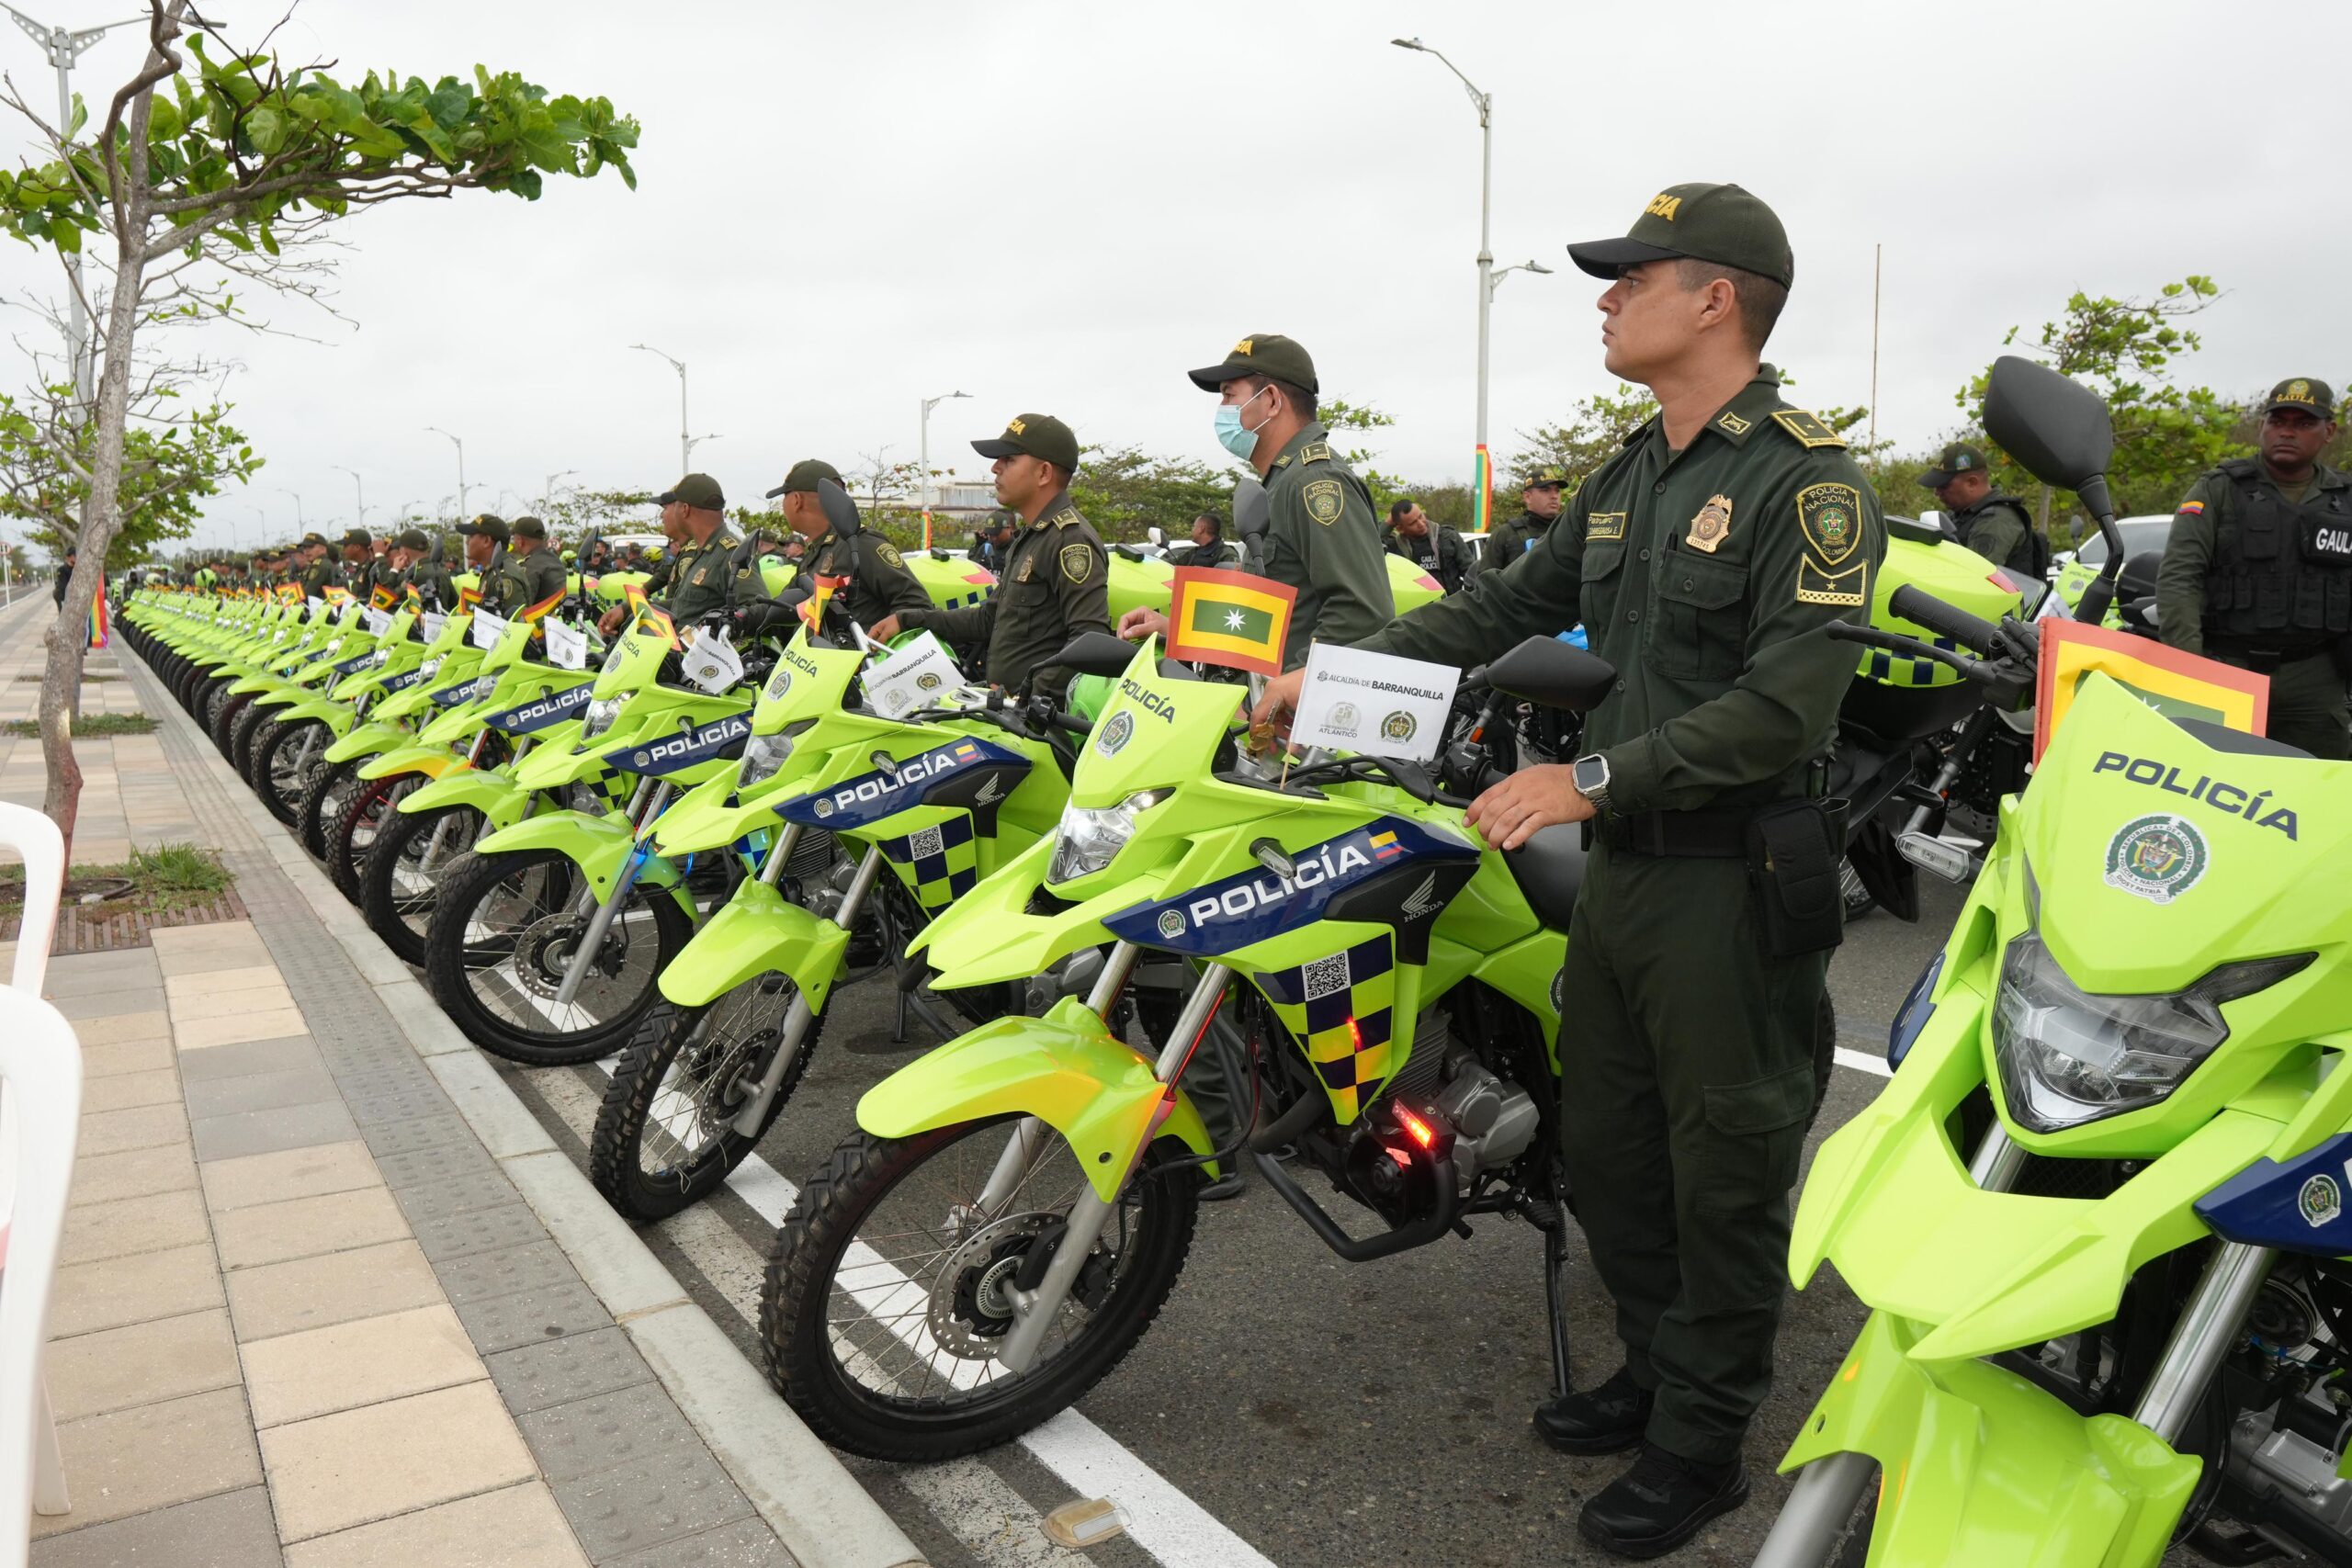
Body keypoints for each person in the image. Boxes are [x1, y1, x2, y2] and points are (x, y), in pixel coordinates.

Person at [1257, 183, 1884, 1559]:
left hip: (1728, 884)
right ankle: (1657, 1373)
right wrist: (1327, 679)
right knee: (1608, 1151)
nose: (1605, 295)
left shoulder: (1809, 480)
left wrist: (1586, 779)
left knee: (1721, 1169)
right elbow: (1498, 607)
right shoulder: (1629, 469)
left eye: (1631, 276)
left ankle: (1705, 1438)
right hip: (1624, 883)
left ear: (1714, 297)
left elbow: (1787, 707)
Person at [1117, 334, 1393, 667]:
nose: (1223, 410)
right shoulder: (1282, 481)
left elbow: (1360, 615)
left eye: (1229, 396)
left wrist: (1291, 690)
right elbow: (1277, 615)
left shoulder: (1314, 481)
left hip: (1294, 712)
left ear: (1273, 400)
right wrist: (1174, 628)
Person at [2158, 378, 2352, 759]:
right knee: (2212, 785)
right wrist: (2188, 668)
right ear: (2262, 425)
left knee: (2319, 795)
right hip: (2228, 669)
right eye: (2278, 421)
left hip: (2315, 679)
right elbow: (2180, 578)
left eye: (2303, 423)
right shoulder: (2219, 489)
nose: (2287, 432)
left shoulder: (2345, 500)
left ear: (2328, 431)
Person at [870, 413, 1109, 698]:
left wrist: (1025, 698)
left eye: (1009, 460)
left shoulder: (1069, 539)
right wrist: (909, 619)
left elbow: (1089, 639)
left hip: (1036, 724)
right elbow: (987, 619)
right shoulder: (1032, 538)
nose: (995, 468)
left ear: (1043, 473)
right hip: (1004, 712)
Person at [738, 458, 932, 640]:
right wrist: (739, 618)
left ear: (797, 500)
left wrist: (877, 647)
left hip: (861, 670)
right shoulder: (814, 555)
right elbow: (783, 607)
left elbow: (916, 604)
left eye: (785, 498)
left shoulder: (860, 545)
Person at [595, 475, 729, 636]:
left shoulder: (710, 552)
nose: (661, 516)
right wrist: (628, 609)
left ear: (683, 509)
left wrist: (635, 611)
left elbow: (688, 610)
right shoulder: (692, 552)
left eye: (665, 508)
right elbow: (675, 597)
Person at [1917, 441, 2041, 579]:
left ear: (1972, 483)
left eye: (1944, 486)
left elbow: (1974, 577)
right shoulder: (1959, 516)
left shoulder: (1998, 519)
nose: (1937, 493)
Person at [1488, 467, 1571, 570]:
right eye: (1545, 490)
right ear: (1527, 497)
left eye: (1557, 491)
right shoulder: (1506, 534)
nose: (1554, 496)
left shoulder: (1569, 531)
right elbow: (1484, 581)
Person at [1385, 499, 1471, 592]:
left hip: (1453, 602)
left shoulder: (1448, 537)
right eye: (1413, 523)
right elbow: (1372, 548)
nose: (1421, 524)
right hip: (1420, 605)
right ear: (1400, 529)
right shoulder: (1396, 547)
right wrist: (1387, 525)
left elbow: (1470, 572)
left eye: (1420, 516)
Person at [497, 516, 569, 615]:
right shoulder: (555, 559)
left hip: (543, 625)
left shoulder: (530, 566)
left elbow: (522, 606)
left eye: (515, 538)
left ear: (521, 541)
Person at [1174, 511, 1238, 570]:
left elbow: (1234, 578)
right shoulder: (1193, 553)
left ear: (1201, 529)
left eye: (1194, 526)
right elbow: (1170, 564)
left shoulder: (1227, 554)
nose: (1192, 530)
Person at [970, 509, 1019, 577]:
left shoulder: (1018, 548)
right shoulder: (986, 548)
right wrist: (978, 545)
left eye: (997, 534)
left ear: (1008, 528)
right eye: (990, 534)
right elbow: (972, 568)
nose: (994, 538)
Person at [296, 532, 339, 603]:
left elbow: (307, 594)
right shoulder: (321, 564)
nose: (306, 551)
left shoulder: (320, 566)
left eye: (310, 547)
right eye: (304, 547)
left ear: (323, 549)